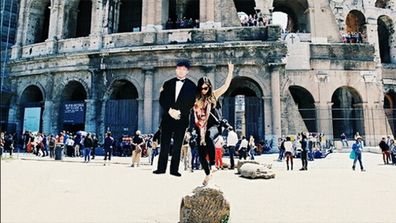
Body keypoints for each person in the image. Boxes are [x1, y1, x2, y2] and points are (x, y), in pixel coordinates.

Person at [153, 60, 197, 177]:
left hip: (181, 119)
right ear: (176, 69)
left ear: (187, 71)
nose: (181, 71)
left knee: (178, 145)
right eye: (179, 68)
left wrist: (179, 112)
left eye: (183, 69)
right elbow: (162, 99)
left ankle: (174, 170)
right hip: (167, 118)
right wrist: (170, 110)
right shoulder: (167, 83)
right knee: (164, 145)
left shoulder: (192, 86)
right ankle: (161, 168)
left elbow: (192, 102)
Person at [193, 62, 234, 185]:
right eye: (201, 88)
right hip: (201, 127)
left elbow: (226, 86)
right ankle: (207, 174)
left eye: (206, 88)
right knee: (200, 154)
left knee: (208, 137)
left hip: (214, 126)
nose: (203, 90)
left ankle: (213, 164)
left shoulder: (213, 96)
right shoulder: (196, 99)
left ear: (209, 87)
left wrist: (230, 71)